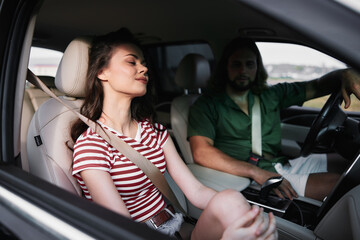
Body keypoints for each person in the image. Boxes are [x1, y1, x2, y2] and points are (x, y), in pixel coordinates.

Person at [70, 29, 277, 240]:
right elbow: (123, 230)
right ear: (102, 72)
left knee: (232, 199)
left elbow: (196, 191)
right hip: (137, 235)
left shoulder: (155, 132)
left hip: (177, 226)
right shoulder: (92, 146)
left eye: (143, 62)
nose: (143, 68)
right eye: (132, 62)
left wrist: (243, 212)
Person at [188, 37, 360, 201]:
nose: (243, 71)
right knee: (343, 185)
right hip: (249, 178)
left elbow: (317, 86)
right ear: (225, 68)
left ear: (257, 67)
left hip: (283, 165)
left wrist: (344, 74)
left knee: (352, 165)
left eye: (249, 64)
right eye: (236, 64)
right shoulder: (207, 105)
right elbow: (201, 152)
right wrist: (255, 172)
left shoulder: (271, 95)